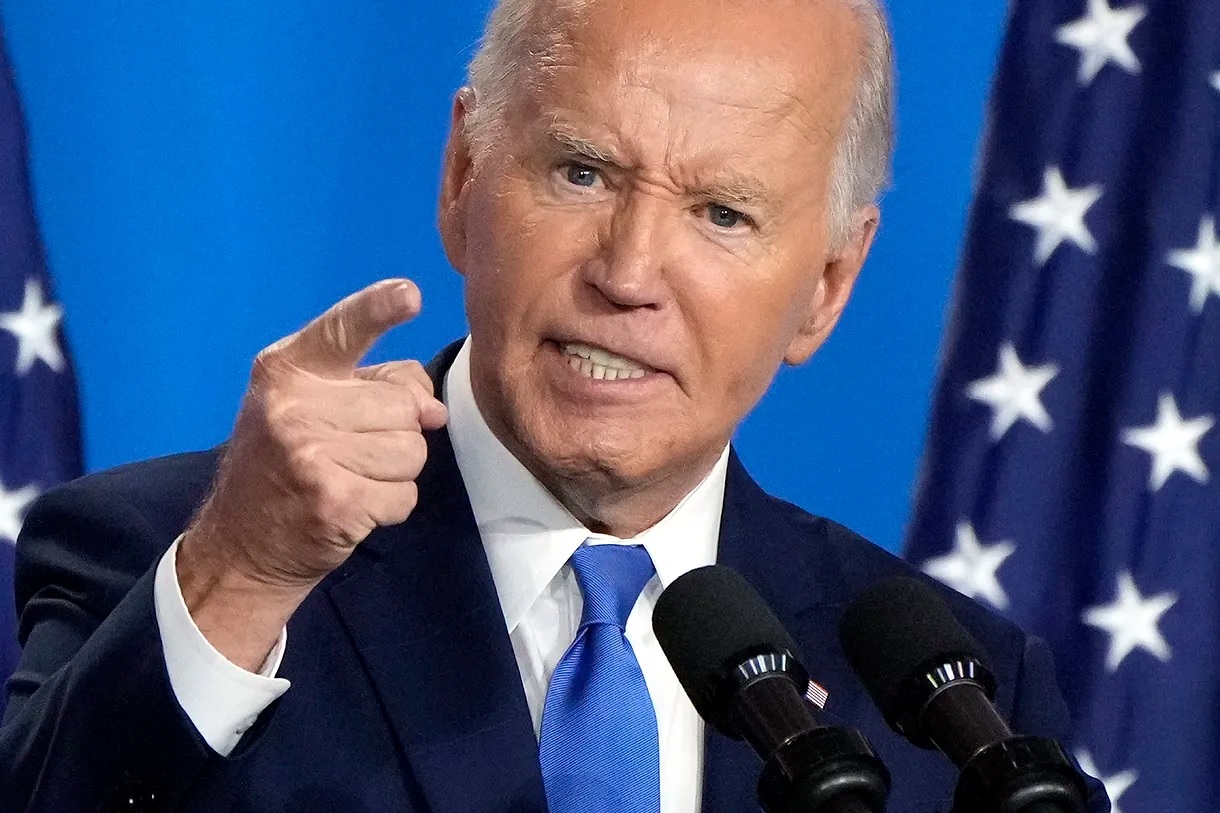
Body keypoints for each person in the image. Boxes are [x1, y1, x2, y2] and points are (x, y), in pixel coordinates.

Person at [0, 0, 1107, 810]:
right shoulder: (174, 561)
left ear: (825, 285)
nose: (627, 272)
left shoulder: (955, 702)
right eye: (581, 172)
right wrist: (243, 573)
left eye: (721, 213)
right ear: (462, 177)